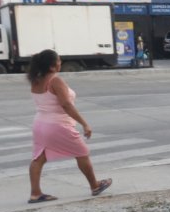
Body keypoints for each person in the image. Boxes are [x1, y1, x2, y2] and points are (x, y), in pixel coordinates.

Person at [26, 49, 111, 203]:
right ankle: (95, 186)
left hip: (39, 124)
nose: (61, 63)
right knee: (82, 152)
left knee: (38, 158)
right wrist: (84, 123)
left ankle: (35, 194)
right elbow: (66, 104)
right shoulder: (55, 81)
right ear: (52, 66)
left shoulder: (36, 80)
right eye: (58, 60)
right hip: (57, 125)